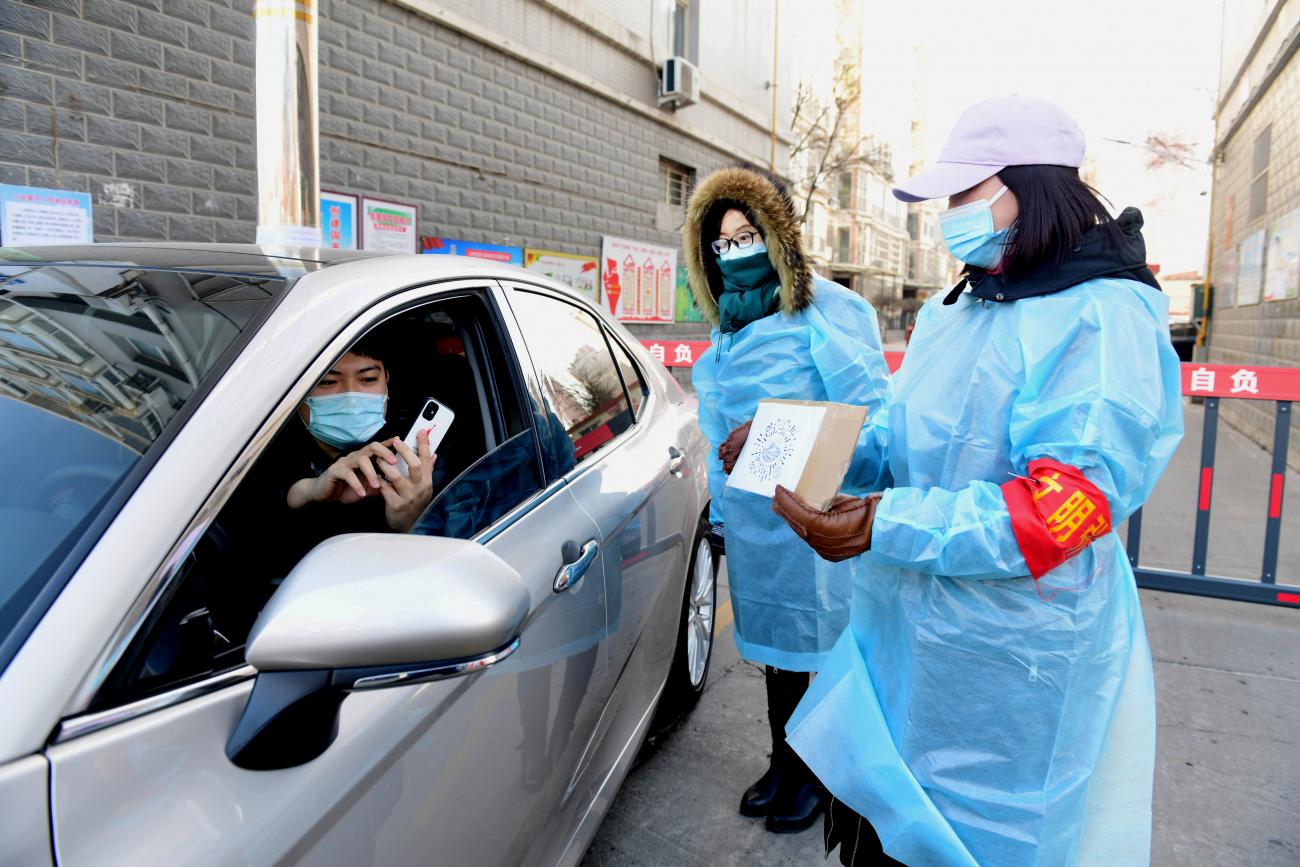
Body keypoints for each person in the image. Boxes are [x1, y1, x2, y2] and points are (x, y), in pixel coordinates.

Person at [770, 96, 1184, 866]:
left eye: (966, 193)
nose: (951, 214)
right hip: (907, 641)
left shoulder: (1101, 315)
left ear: (1032, 186)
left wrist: (880, 525)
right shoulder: (956, 309)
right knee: (886, 829)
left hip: (1014, 664)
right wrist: (796, 442)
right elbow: (903, 438)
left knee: (984, 842)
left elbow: (1065, 508)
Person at [684, 166, 892, 834]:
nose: (734, 252)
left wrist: (772, 434)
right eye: (720, 243)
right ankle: (784, 758)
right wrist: (720, 510)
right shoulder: (728, 321)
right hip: (753, 517)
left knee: (821, 645)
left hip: (816, 508)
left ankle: (818, 778)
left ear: (779, 231)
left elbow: (867, 413)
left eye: (747, 235)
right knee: (776, 648)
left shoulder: (831, 309)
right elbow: (719, 424)